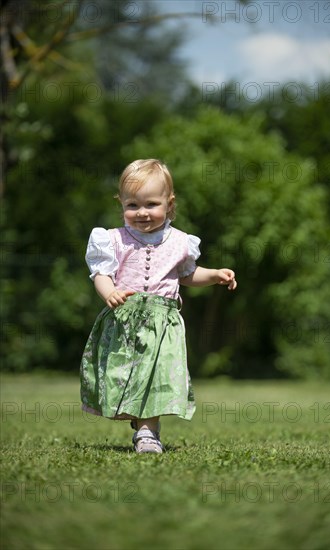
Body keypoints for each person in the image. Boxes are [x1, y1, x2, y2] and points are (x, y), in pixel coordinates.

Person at [80, 159, 237, 454]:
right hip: (124, 321)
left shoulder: (180, 242)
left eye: (151, 204)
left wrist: (214, 275)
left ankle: (148, 432)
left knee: (157, 377)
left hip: (162, 324)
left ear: (169, 203)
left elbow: (187, 275)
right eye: (132, 205)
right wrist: (109, 292)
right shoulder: (111, 239)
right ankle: (136, 418)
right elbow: (100, 273)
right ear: (122, 204)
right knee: (123, 376)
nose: (141, 213)